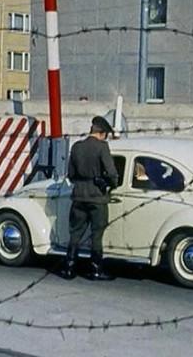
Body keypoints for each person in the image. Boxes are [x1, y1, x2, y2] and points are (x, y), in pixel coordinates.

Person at [62, 116, 119, 280]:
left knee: (75, 233)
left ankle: (69, 268)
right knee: (96, 234)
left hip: (79, 195)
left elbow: (71, 174)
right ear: (102, 133)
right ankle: (95, 269)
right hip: (96, 197)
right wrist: (111, 184)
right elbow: (112, 172)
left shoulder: (77, 147)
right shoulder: (102, 147)